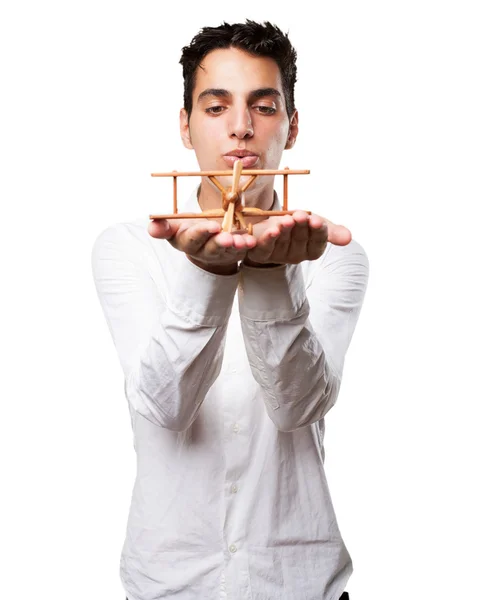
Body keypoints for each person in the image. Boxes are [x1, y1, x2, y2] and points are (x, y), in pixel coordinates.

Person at [91, 19, 368, 600]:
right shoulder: (128, 247)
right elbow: (165, 406)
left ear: (291, 128)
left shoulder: (331, 254)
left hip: (300, 582)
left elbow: (297, 407)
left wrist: (271, 276)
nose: (241, 128)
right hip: (171, 585)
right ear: (186, 127)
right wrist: (206, 274)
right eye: (216, 108)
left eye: (263, 107)